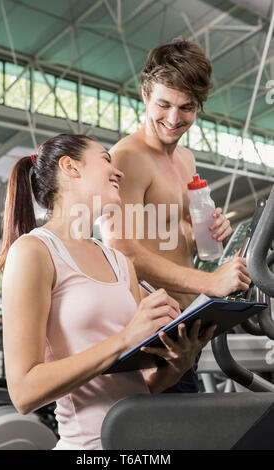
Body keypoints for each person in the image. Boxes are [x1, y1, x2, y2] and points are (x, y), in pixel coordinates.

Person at [0, 133, 216, 450]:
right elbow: (23, 392)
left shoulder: (119, 261)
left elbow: (141, 387)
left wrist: (176, 365)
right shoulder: (34, 251)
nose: (119, 172)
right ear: (71, 167)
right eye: (105, 159)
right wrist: (126, 338)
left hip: (143, 440)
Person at [104, 39, 251, 393]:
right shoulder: (128, 158)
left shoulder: (185, 158)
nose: (173, 119)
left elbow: (182, 236)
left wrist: (213, 228)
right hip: (154, 334)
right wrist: (208, 283)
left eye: (186, 107)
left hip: (187, 326)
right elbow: (123, 250)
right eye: (164, 104)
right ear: (144, 94)